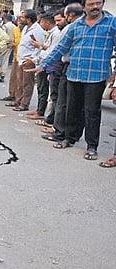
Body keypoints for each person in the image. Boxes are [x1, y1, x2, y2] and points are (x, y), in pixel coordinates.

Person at [35, 0, 116, 160]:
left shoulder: (112, 23)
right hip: (74, 73)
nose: (95, 6)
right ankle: (69, 138)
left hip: (97, 75)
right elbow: (61, 47)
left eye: (98, 3)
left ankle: (92, 146)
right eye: (91, 3)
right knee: (72, 108)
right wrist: (44, 64)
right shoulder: (75, 25)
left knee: (92, 112)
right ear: (84, 5)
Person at [38, 3, 84, 142]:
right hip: (69, 66)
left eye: (61, 19)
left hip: (67, 66)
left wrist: (44, 64)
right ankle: (69, 133)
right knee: (70, 102)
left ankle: (60, 131)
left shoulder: (70, 29)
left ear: (69, 16)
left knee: (62, 100)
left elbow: (58, 49)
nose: (59, 22)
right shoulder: (77, 27)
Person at [6, 9, 44, 111]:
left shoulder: (37, 30)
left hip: (29, 60)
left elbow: (39, 47)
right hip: (20, 59)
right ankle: (18, 101)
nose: (20, 19)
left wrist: (32, 59)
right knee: (19, 82)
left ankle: (24, 104)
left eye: (22, 17)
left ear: (28, 19)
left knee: (27, 83)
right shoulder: (25, 28)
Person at [25, 11, 60, 120]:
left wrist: (40, 46)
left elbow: (51, 51)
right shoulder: (49, 32)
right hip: (42, 62)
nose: (40, 25)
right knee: (40, 88)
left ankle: (41, 112)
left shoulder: (56, 33)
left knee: (44, 89)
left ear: (46, 22)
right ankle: (39, 109)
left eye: (41, 22)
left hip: (48, 64)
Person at [0, 15, 24, 102]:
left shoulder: (27, 31)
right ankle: (12, 94)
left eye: (22, 22)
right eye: (19, 22)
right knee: (13, 77)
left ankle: (19, 98)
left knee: (20, 79)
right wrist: (11, 44)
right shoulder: (15, 29)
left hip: (24, 58)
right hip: (15, 56)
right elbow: (14, 41)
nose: (20, 24)